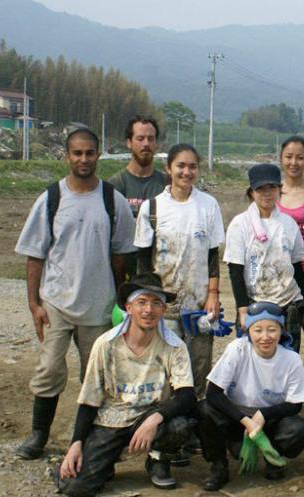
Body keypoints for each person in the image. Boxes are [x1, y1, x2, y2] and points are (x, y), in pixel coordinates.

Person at [14, 128, 136, 460]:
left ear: (99, 154)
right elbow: (35, 255)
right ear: (67, 156)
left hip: (98, 307)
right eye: (77, 153)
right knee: (49, 370)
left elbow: (121, 255)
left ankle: (92, 439)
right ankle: (39, 434)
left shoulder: (113, 201)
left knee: (95, 375)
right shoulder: (51, 199)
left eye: (90, 153)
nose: (84, 159)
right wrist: (33, 304)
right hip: (56, 303)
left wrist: (119, 301)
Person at [55, 273, 197, 495]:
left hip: (150, 413)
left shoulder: (174, 346)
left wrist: (154, 418)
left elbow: (187, 395)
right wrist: (76, 443)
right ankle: (105, 461)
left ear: (163, 309)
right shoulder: (106, 345)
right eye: (141, 302)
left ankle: (158, 460)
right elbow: (89, 399)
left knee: (180, 424)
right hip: (113, 418)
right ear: (128, 308)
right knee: (74, 487)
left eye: (156, 303)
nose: (148, 310)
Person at [134, 143, 224, 402]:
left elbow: (211, 255)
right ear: (168, 168)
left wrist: (212, 295)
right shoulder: (152, 208)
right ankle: (164, 429)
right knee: (163, 371)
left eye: (192, 166)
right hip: (164, 306)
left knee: (198, 368)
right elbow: (143, 261)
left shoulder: (208, 205)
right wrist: (147, 302)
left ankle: (194, 428)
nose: (186, 172)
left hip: (198, 305)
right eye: (180, 166)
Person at [198, 302, 304, 491]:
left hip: (270, 418)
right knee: (204, 409)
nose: (265, 337)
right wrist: (247, 422)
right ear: (248, 331)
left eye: (272, 329)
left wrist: (262, 415)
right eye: (258, 330)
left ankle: (273, 457)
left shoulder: (291, 359)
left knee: (298, 429)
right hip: (237, 415)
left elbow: (295, 405)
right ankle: (218, 465)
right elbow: (214, 393)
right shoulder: (238, 349)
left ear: (281, 330)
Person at [225, 163, 304, 350]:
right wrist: (242, 309)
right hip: (255, 303)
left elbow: (297, 264)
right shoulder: (240, 224)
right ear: (251, 193)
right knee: (256, 358)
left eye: (272, 187)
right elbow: (235, 270)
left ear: (279, 190)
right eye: (260, 189)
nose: (266, 193)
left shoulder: (288, 223)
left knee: (288, 355)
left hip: (289, 302)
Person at [276, 136, 304, 373]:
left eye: (300, 157)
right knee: (285, 339)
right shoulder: (272, 192)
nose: (294, 162)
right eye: (289, 157)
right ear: (281, 158)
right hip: (281, 276)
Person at [107, 116, 168, 279]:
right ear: (129, 142)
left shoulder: (168, 186)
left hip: (161, 273)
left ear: (156, 144)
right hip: (122, 274)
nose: (146, 144)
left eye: (151, 139)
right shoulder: (113, 187)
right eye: (140, 138)